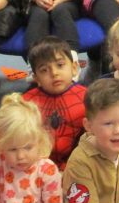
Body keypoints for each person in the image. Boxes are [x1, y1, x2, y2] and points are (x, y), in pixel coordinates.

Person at [22, 36, 87, 170]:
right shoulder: (26, 102)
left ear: (74, 68)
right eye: (44, 70)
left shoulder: (88, 98)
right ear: (36, 78)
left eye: (60, 65)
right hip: (36, 165)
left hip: (76, 164)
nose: (54, 73)